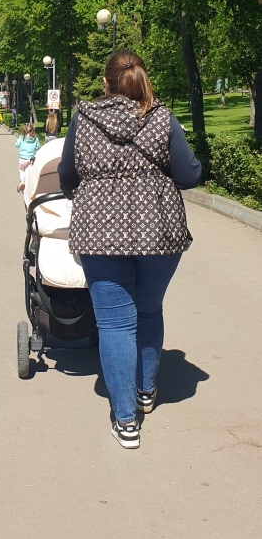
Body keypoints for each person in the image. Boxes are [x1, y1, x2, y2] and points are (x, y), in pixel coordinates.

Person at [57, 50, 201, 450]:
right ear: (140, 78)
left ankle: (125, 421)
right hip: (158, 232)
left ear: (106, 83)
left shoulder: (84, 118)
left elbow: (67, 174)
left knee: (115, 324)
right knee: (149, 309)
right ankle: (145, 391)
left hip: (99, 233)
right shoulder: (162, 117)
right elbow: (189, 175)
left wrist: (86, 191)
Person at [15, 123, 40, 191]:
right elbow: (38, 146)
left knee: (22, 170)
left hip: (22, 158)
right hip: (30, 159)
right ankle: (28, 184)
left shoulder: (22, 137)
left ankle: (23, 182)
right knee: (28, 171)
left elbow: (17, 144)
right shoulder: (35, 138)